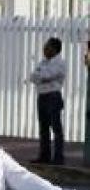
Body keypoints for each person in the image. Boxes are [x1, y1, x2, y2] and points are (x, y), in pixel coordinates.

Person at [29, 37, 66, 165]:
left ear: (55, 49)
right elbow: (32, 77)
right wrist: (41, 76)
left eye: (47, 47)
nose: (44, 49)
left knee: (56, 128)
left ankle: (58, 157)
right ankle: (44, 156)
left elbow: (47, 75)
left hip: (53, 97)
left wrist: (41, 75)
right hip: (42, 96)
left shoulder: (60, 63)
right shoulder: (43, 62)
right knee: (43, 128)